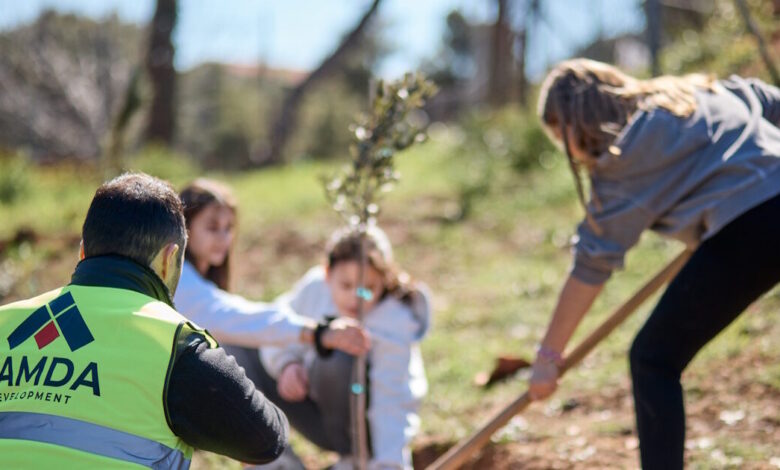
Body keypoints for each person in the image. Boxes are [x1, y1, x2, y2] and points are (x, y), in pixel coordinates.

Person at [529, 58, 780, 469]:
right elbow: (770, 101)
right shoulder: (697, 92)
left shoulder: (622, 161)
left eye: (560, 138)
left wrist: (547, 359)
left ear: (572, 124)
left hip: (750, 230)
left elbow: (591, 267)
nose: (567, 151)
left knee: (653, 359)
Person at [0, 173, 288, 469]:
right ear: (168, 259)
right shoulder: (174, 345)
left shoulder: (5, 322)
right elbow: (265, 440)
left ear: (83, 251)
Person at [248, 225, 432, 470]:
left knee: (338, 353)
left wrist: (390, 463)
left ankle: (356, 457)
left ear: (385, 280)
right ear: (327, 274)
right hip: (316, 412)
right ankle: (278, 462)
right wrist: (287, 364)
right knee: (239, 349)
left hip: (365, 428)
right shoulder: (314, 288)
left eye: (369, 288)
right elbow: (273, 326)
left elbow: (391, 399)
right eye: (346, 286)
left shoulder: (394, 321)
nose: (357, 298)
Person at [173, 178, 370, 356]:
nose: (224, 238)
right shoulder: (181, 281)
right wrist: (317, 332)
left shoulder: (198, 279)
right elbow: (234, 317)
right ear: (185, 227)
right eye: (212, 228)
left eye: (229, 228)